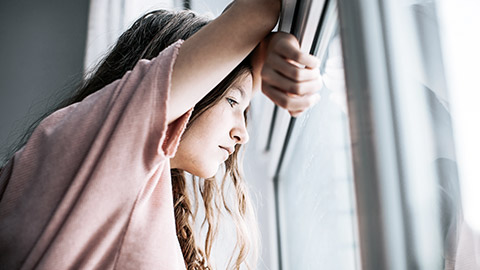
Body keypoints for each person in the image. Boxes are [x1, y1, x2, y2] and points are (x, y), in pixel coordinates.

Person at [0, 1, 322, 269]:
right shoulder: (101, 135)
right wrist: (265, 47)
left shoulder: (124, 182)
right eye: (233, 101)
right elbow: (259, 9)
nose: (242, 134)